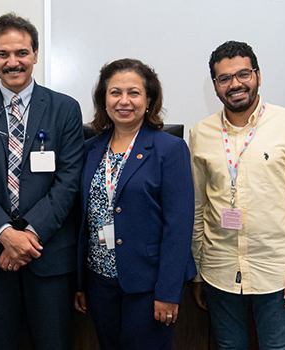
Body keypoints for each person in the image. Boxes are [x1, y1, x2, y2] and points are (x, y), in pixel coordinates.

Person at [0, 13, 84, 350]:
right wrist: (6, 234)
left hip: (48, 254)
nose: (13, 62)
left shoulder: (64, 109)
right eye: (3, 54)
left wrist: (28, 235)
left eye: (21, 53)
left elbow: (68, 180)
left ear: (35, 54)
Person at [189, 41, 285, 350]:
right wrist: (197, 271)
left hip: (277, 272)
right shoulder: (201, 133)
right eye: (224, 78)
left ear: (258, 76)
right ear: (215, 86)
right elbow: (198, 207)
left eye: (243, 74)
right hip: (218, 269)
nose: (235, 84)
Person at [72, 58, 195, 350]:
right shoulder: (90, 149)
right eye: (115, 92)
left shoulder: (170, 149)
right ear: (104, 100)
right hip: (99, 281)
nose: (123, 101)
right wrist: (81, 282)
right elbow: (82, 217)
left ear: (149, 99)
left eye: (134, 92)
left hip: (148, 284)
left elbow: (178, 226)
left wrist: (168, 292)